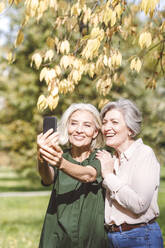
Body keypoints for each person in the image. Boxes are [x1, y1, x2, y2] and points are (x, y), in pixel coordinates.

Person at [37, 103, 108, 248]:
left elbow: (89, 175)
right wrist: (42, 156)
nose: (79, 130)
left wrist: (60, 163)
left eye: (87, 125)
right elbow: (47, 178)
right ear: (67, 128)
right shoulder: (61, 156)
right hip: (57, 236)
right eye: (74, 124)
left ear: (95, 132)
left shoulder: (102, 157)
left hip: (92, 239)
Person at [96, 98, 163, 248]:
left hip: (140, 238)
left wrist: (108, 176)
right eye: (105, 122)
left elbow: (140, 205)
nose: (107, 127)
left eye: (114, 122)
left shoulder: (144, 154)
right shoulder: (111, 158)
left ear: (130, 129)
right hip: (112, 238)